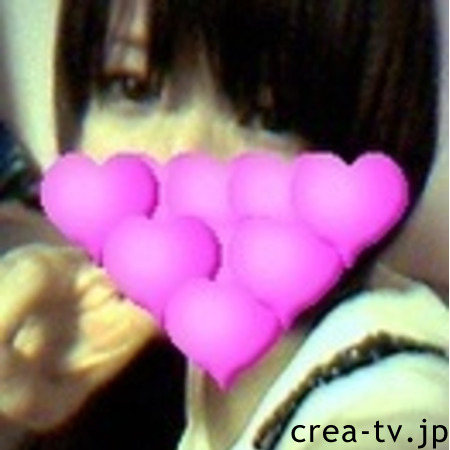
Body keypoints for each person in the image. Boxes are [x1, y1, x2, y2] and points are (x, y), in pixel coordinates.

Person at [0, 1, 448, 449]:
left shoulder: (393, 403)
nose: (181, 163)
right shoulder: (159, 350)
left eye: (270, 116)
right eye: (133, 88)